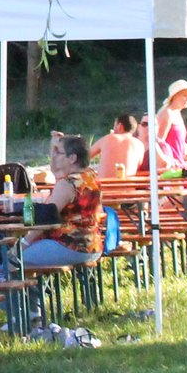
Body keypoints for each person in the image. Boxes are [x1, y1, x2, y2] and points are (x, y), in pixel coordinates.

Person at [21, 133, 104, 268]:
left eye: (57, 152)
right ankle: (38, 288)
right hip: (92, 245)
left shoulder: (68, 184)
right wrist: (54, 148)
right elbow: (55, 170)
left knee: (11, 260)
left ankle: (31, 289)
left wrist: (24, 243)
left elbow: (46, 221)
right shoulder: (90, 177)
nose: (53, 156)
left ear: (72, 158)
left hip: (70, 246)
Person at [149, 79, 187, 171]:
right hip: (170, 168)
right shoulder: (166, 113)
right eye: (184, 95)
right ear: (175, 96)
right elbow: (159, 144)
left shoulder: (177, 113)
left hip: (179, 164)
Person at [92, 114, 144, 179]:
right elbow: (137, 167)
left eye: (114, 125)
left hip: (104, 188)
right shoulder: (140, 145)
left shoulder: (108, 138)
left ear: (120, 126)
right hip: (128, 188)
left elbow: (86, 156)